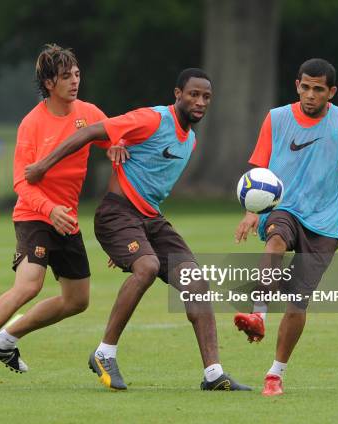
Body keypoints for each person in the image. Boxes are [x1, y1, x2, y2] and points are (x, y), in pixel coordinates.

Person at [25, 68, 251, 391]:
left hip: (150, 221)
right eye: (193, 94)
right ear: (177, 94)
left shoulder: (191, 140)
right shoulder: (154, 119)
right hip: (116, 214)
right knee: (148, 266)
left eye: (206, 97)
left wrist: (131, 245)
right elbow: (92, 131)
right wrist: (43, 166)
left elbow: (147, 181)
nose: (200, 101)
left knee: (196, 281)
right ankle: (104, 353)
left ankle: (214, 374)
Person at [0, 44, 118, 391]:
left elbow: (113, 135)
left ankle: (6, 339)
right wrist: (49, 210)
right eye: (65, 76)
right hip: (35, 214)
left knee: (78, 301)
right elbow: (20, 181)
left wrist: (116, 144)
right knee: (29, 285)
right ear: (47, 83)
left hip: (66, 219)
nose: (74, 81)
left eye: (76, 74)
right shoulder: (32, 123)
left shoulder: (87, 112)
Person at [233, 58, 338, 396]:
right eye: (305, 87)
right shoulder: (276, 118)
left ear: (331, 92)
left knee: (297, 302)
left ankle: (275, 374)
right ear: (297, 85)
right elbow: (258, 171)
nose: (310, 94)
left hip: (324, 221)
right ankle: (258, 313)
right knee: (275, 239)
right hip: (284, 207)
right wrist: (251, 212)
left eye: (318, 89)